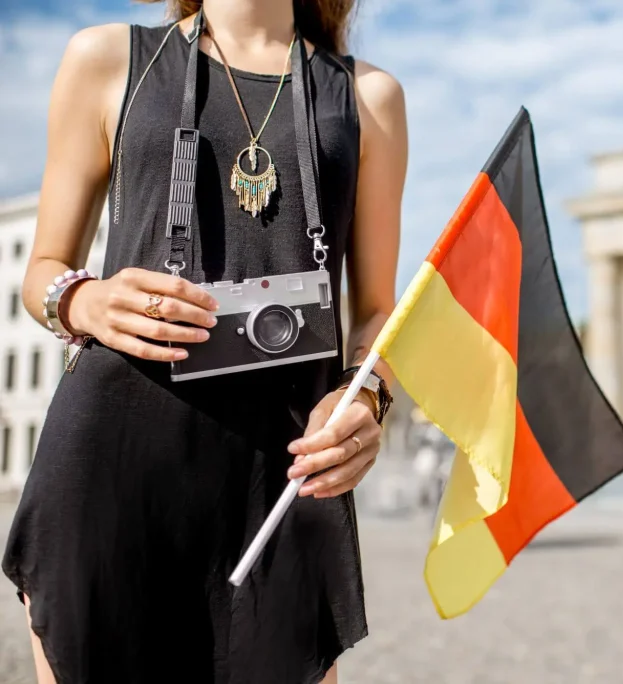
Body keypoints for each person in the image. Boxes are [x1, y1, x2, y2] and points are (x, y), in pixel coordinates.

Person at [2, 0, 407, 681]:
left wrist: (370, 396)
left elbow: (374, 313)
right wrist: (86, 299)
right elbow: (42, 271)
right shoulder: (105, 58)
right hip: (110, 467)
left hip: (280, 482)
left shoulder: (367, 97)